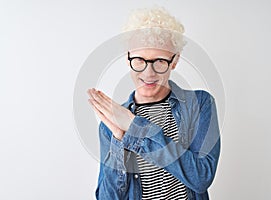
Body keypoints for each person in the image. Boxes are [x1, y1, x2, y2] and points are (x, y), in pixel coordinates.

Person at [87, 6, 221, 200]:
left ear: (174, 61)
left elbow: (201, 177)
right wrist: (118, 138)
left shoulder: (200, 104)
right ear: (128, 57)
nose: (148, 73)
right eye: (139, 60)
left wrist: (135, 127)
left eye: (159, 61)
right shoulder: (112, 123)